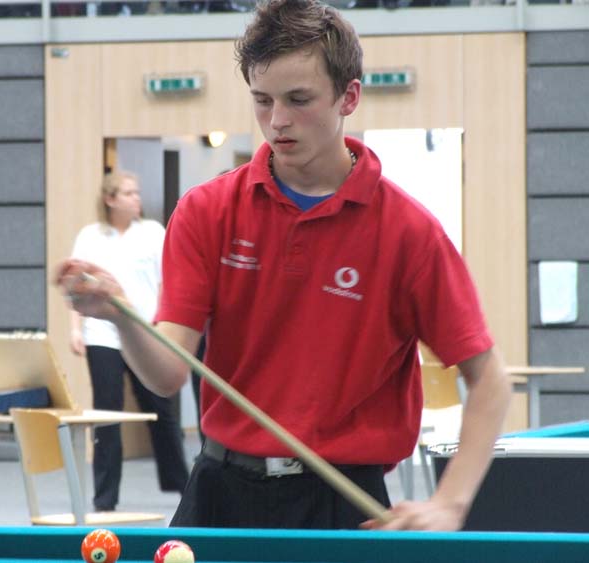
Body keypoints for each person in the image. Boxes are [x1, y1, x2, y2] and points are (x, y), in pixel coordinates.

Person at [56, 0, 512, 530]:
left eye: (299, 99)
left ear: (349, 97)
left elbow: (490, 380)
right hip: (221, 491)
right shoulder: (206, 210)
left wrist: (451, 502)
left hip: (343, 499)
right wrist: (119, 313)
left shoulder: (409, 232)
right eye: (262, 100)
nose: (277, 121)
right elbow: (167, 374)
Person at [68, 169, 189, 512]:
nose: (137, 198)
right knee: (107, 414)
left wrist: (164, 325)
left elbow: (167, 284)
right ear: (110, 199)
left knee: (161, 409)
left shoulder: (152, 233)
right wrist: (75, 329)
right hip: (101, 334)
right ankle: (105, 498)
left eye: (137, 192)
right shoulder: (90, 236)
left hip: (144, 333)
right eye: (128, 193)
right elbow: (77, 288)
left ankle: (182, 484)